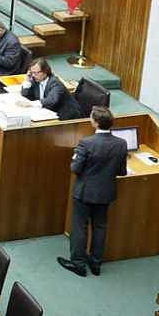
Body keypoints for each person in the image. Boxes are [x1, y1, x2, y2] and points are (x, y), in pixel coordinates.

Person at [58, 105, 128, 277]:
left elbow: (75, 168)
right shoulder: (121, 144)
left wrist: (75, 157)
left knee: (80, 227)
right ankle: (96, 263)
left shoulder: (86, 143)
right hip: (105, 193)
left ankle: (78, 263)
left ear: (95, 123)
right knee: (100, 227)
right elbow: (121, 171)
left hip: (85, 192)